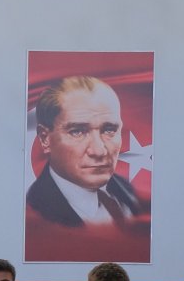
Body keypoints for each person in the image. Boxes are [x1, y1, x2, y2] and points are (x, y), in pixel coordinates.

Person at [25, 76, 150, 262]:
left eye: (109, 129)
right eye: (77, 131)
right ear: (45, 138)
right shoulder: (34, 213)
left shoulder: (129, 193)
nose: (99, 151)